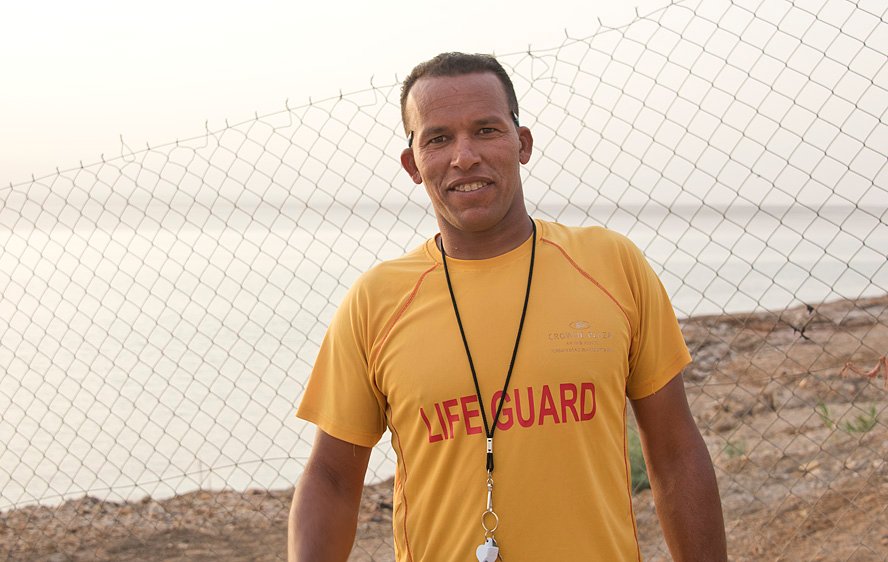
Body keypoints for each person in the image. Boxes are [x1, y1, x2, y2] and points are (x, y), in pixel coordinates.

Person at [289, 52, 727, 561]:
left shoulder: (611, 265)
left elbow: (675, 452)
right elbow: (332, 477)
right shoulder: (376, 300)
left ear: (523, 144)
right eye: (437, 139)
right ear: (413, 165)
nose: (464, 156)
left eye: (486, 130)